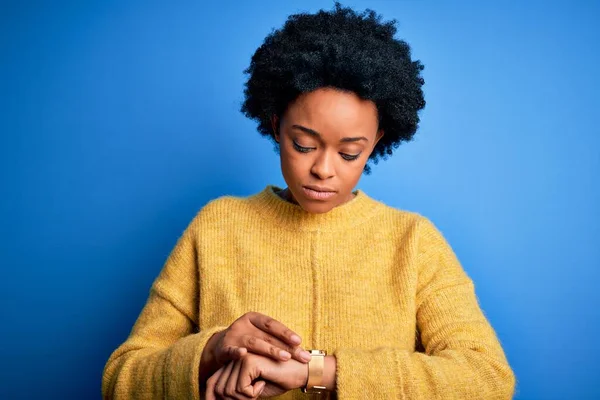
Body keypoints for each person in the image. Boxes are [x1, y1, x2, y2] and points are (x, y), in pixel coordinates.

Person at [102, 3, 516, 399]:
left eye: (350, 153)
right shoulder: (216, 227)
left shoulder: (413, 241)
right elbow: (121, 378)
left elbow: (488, 377)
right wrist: (211, 352)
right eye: (303, 144)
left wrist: (316, 372)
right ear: (275, 125)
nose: (323, 169)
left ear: (376, 143)